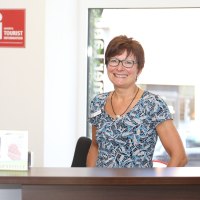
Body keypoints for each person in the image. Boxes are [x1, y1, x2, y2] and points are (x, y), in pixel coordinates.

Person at [86, 35, 188, 168]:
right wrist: (90, 183)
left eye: (128, 62)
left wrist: (159, 188)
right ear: (107, 65)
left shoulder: (153, 105)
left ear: (139, 69)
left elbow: (179, 157)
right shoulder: (98, 102)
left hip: (139, 187)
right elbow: (95, 146)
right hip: (101, 187)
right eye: (114, 61)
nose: (119, 68)